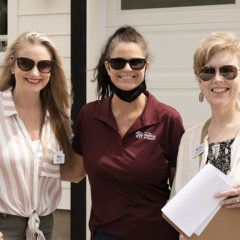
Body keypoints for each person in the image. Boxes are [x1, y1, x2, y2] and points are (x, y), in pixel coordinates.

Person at [61, 25, 184, 240]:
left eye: (135, 62)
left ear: (146, 66)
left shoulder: (167, 119)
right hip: (105, 235)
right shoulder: (90, 116)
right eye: (118, 62)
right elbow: (74, 172)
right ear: (108, 67)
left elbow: (181, 188)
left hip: (157, 234)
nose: (127, 69)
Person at [0, 31, 72, 240]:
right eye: (26, 63)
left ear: (51, 71)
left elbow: (69, 169)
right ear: (13, 66)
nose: (35, 72)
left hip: (43, 226)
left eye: (44, 65)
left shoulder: (59, 118)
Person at [170, 31, 240, 240]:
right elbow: (178, 201)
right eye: (208, 72)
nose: (218, 79)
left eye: (228, 71)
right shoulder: (190, 138)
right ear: (200, 82)